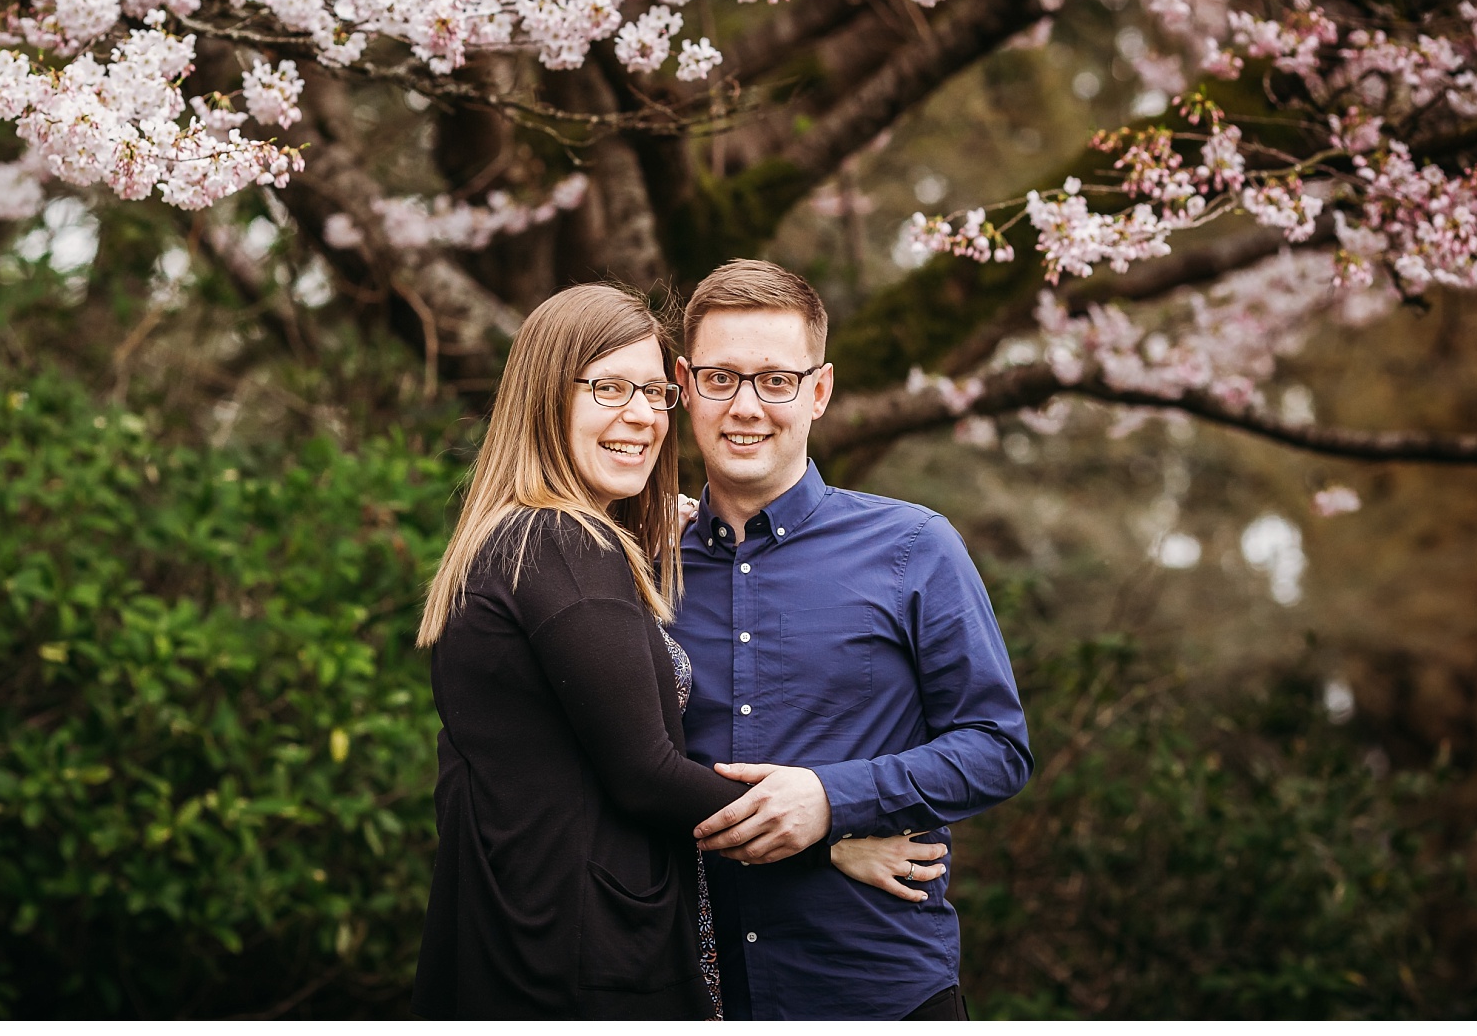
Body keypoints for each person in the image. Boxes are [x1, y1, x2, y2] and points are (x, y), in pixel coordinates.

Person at [411, 283, 947, 1019]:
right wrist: (828, 834)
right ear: (544, 396)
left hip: (527, 932)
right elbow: (646, 773)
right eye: (608, 387)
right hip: (575, 955)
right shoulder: (564, 544)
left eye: (654, 391)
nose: (640, 414)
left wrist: (640, 539)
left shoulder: (536, 541)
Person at [670, 259, 1034, 1021]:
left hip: (880, 990)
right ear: (683, 383)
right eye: (721, 378)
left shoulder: (915, 547)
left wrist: (832, 800)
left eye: (775, 380)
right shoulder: (645, 567)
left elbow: (997, 747)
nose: (745, 406)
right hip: (697, 994)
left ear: (819, 391)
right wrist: (821, 842)